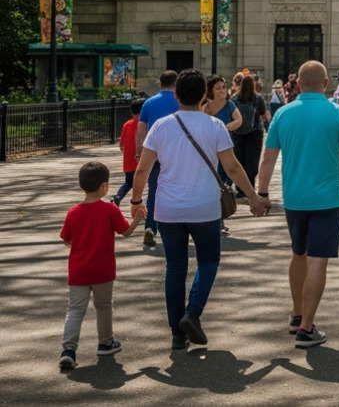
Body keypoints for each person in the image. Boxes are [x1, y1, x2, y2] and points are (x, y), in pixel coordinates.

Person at [130, 69, 265, 350]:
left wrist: (136, 201)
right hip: (205, 207)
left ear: (176, 95)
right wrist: (253, 196)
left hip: (168, 209)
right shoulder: (214, 126)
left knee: (175, 269)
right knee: (208, 261)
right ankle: (192, 313)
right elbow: (231, 167)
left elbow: (143, 168)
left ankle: (177, 334)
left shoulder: (160, 127)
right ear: (204, 95)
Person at [257, 60, 339, 347]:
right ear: (325, 85)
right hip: (327, 199)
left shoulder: (282, 114)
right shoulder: (337, 114)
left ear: (297, 85)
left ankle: (298, 313)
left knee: (298, 253)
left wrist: (261, 194)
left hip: (294, 199)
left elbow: (268, 158)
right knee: (318, 259)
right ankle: (306, 328)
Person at [59, 161, 142, 369]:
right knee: (103, 307)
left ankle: (69, 349)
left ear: (81, 185)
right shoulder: (109, 210)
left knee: (75, 310)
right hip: (103, 269)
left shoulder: (73, 212)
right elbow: (125, 232)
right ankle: (105, 343)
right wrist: (138, 219)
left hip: (78, 270)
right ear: (104, 186)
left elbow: (67, 239)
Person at [135, 70, 180, 248]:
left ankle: (150, 228)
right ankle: (172, 229)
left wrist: (140, 153)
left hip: (153, 152)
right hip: (176, 154)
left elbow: (140, 130)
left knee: (154, 190)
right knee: (176, 190)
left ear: (160, 84)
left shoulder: (149, 103)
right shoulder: (181, 103)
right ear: (176, 85)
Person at [203, 75, 242, 237]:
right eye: (218, 88)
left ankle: (218, 221)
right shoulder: (205, 107)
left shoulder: (229, 104)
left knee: (224, 186)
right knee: (215, 187)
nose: (222, 90)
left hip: (227, 150)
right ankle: (217, 223)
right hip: (211, 151)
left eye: (224, 87)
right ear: (211, 91)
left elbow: (239, 120)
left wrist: (226, 127)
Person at [111, 99, 142, 206]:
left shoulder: (127, 124)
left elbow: (121, 145)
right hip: (141, 160)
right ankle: (138, 203)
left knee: (128, 183)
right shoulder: (144, 124)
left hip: (128, 161)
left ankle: (118, 196)